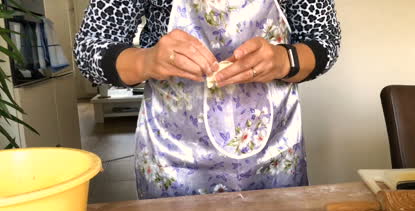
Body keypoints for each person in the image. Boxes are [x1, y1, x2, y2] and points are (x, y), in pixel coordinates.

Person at [74, 0, 341, 199]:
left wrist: (286, 59)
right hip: (174, 156)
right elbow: (90, 46)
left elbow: (325, 39)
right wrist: (146, 60)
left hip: (274, 153)